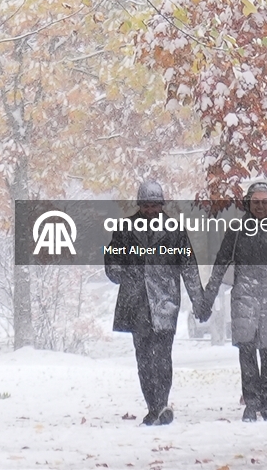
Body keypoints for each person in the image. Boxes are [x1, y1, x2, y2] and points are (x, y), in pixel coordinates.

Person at [104, 181, 208, 425]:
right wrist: (120, 272)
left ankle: (160, 405)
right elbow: (111, 260)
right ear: (139, 205)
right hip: (136, 302)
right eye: (146, 205)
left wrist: (199, 301)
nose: (150, 210)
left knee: (162, 357)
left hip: (165, 301)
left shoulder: (175, 231)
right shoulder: (124, 229)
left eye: (154, 205)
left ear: (162, 205)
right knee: (144, 359)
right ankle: (154, 406)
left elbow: (189, 267)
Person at [202, 181, 267, 422]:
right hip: (244, 300)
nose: (260, 206)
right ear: (248, 203)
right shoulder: (236, 231)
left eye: (264, 202)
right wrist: (208, 296)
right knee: (246, 355)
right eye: (255, 202)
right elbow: (221, 264)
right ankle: (251, 404)